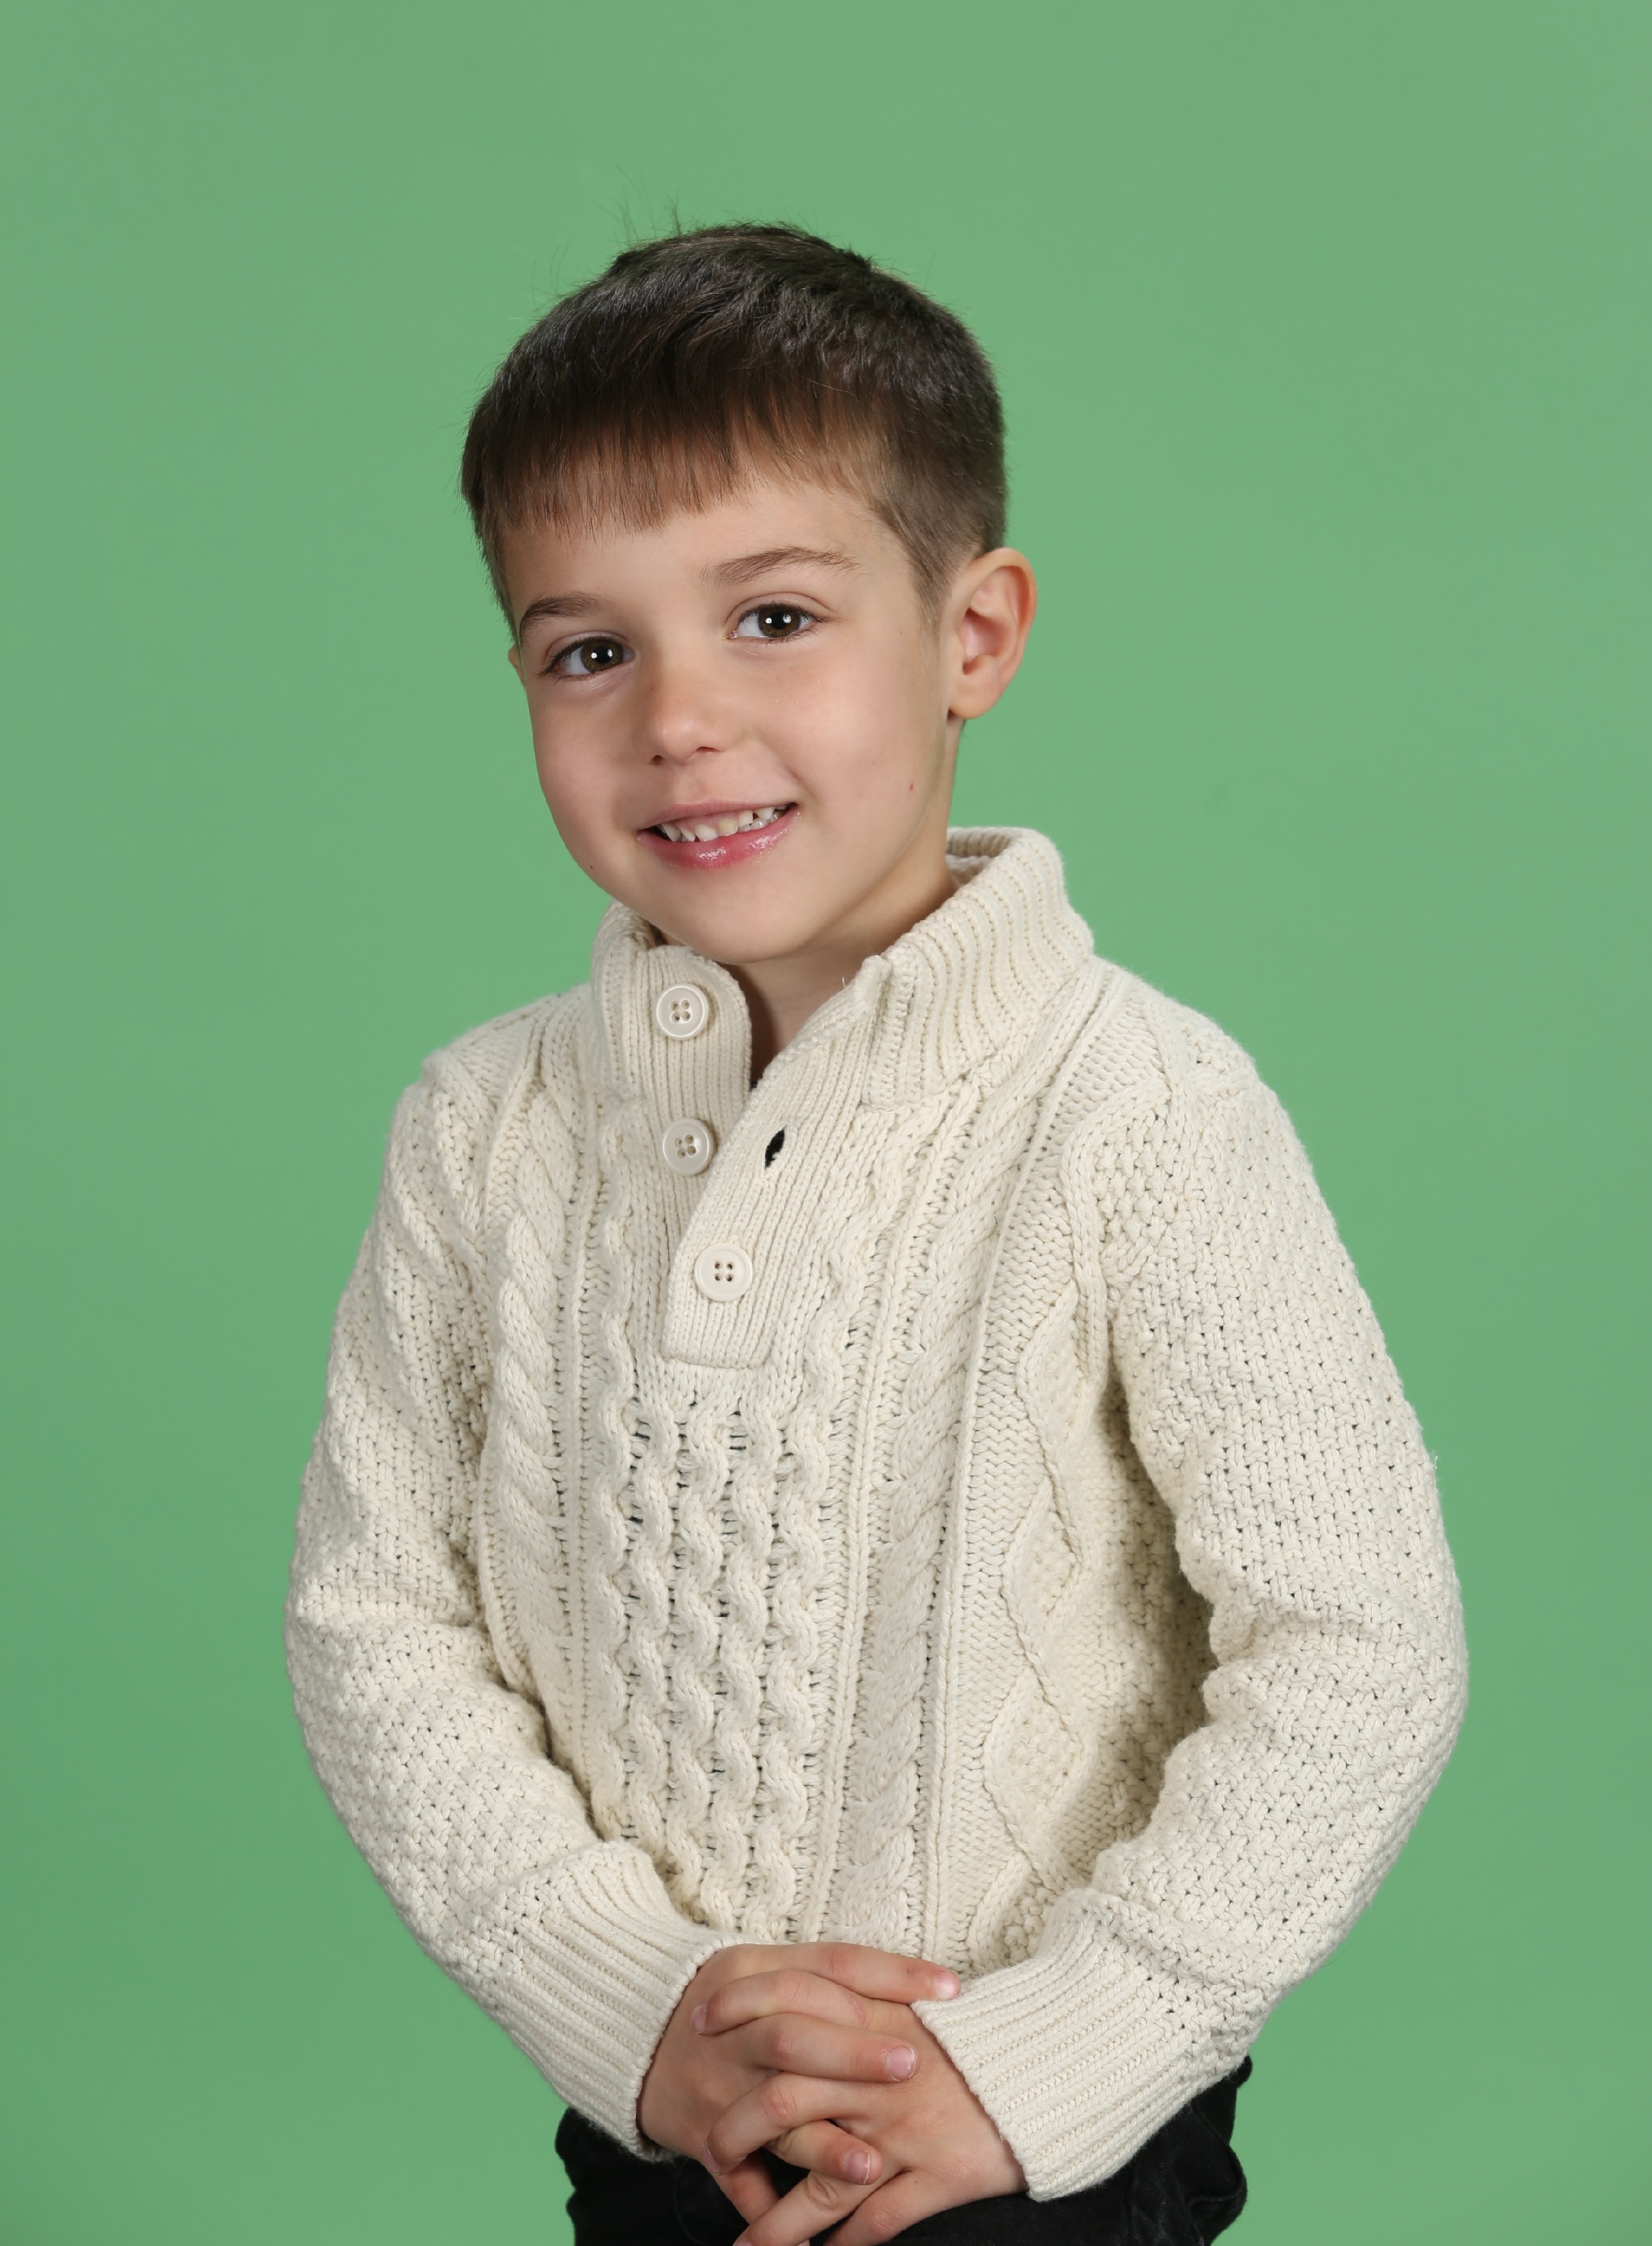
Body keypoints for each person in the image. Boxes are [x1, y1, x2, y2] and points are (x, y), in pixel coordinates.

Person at [286, 224, 1467, 2245]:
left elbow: (1361, 1643)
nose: (677, 717)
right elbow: (372, 1617)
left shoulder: (1141, 1111)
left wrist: (1075, 2045)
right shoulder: (483, 1127)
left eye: (773, 616)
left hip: (1042, 2135)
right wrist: (626, 2000)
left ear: (973, 634)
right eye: (589, 651)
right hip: (668, 2109)